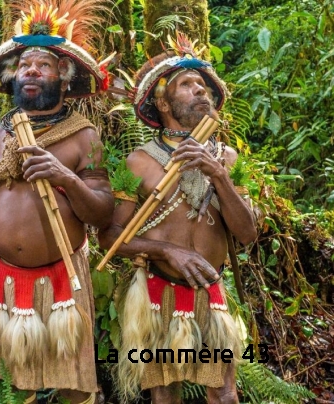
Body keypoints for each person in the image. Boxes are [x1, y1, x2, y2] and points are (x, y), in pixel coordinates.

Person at [98, 35, 257, 403]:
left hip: (210, 293)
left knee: (225, 396)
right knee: (164, 396)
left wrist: (218, 175)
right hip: (156, 295)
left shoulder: (228, 158)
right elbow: (111, 238)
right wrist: (167, 251)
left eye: (203, 86)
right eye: (188, 85)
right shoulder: (140, 161)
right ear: (163, 102)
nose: (200, 92)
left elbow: (247, 233)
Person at [0, 1, 114, 402]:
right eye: (24, 65)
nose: (31, 70)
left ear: (65, 79)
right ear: (12, 76)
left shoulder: (84, 136)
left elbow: (103, 214)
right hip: (3, 277)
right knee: (10, 386)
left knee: (72, 381)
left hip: (61, 276)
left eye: (44, 65)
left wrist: (64, 176)